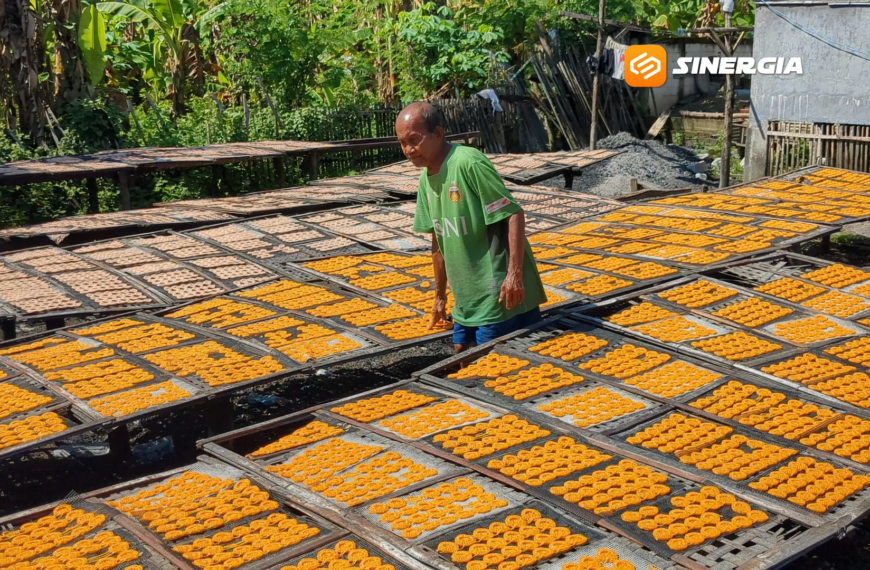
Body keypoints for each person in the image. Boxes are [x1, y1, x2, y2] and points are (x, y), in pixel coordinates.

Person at [396, 102, 547, 354]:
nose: (408, 150)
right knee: (461, 349)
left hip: (498, 292)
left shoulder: (468, 163)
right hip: (467, 297)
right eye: (402, 143)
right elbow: (438, 244)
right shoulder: (425, 179)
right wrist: (440, 296)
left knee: (491, 360)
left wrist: (514, 275)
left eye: (414, 140)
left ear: (438, 133)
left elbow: (513, 214)